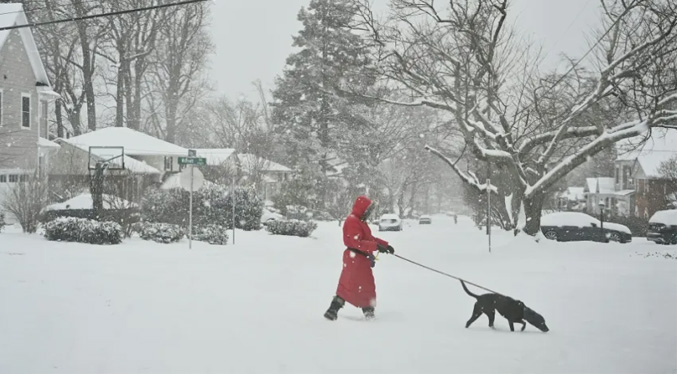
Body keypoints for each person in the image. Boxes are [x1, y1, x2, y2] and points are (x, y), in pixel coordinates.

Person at [324, 195, 395, 321]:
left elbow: (369, 239)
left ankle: (366, 310)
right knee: (349, 285)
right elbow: (356, 242)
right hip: (354, 258)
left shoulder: (360, 222)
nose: (369, 213)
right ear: (362, 208)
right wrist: (376, 246)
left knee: (364, 285)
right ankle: (334, 310)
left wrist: (384, 245)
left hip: (360, 259)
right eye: (368, 210)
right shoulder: (352, 221)